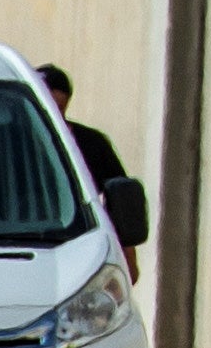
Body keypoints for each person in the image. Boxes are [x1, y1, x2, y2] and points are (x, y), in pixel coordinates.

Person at [35, 64, 148, 282]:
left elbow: (120, 199)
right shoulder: (6, 144)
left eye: (58, 110)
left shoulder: (91, 144)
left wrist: (128, 256)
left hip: (80, 245)